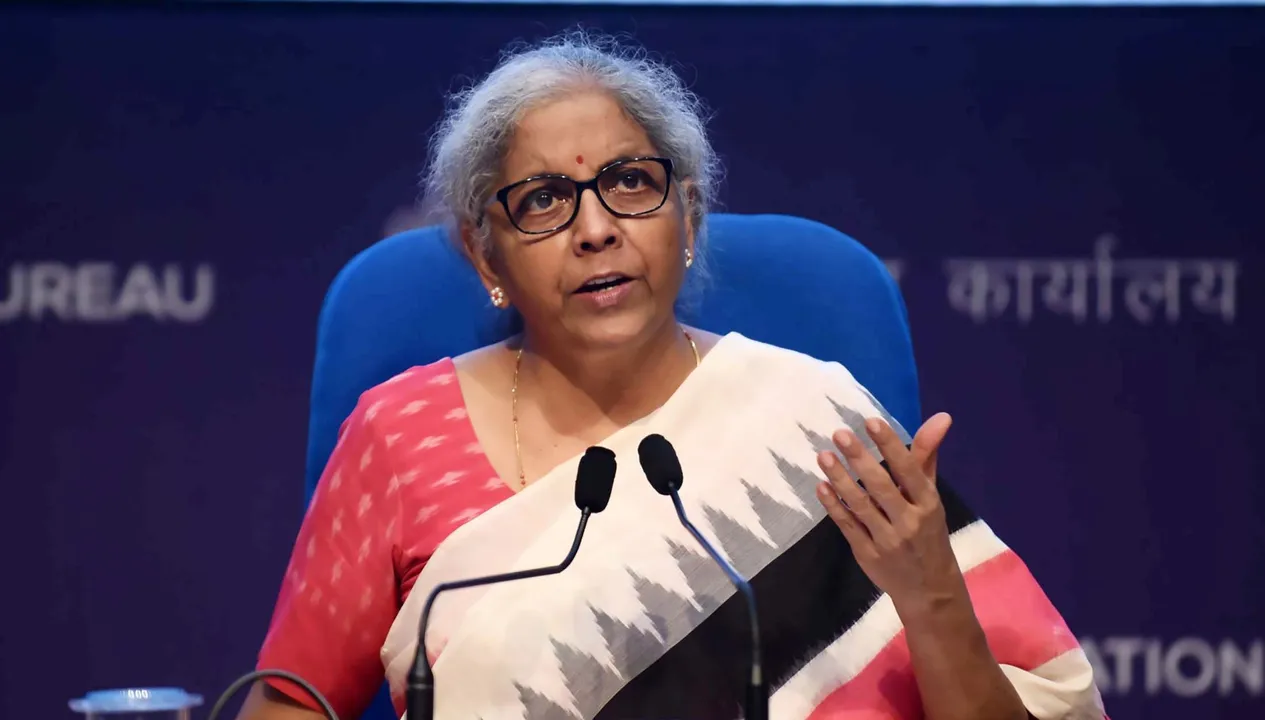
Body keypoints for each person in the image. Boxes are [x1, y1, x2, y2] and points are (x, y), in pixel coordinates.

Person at [238, 31, 1105, 720]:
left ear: (685, 216)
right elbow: (292, 703)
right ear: (482, 249)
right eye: (542, 199)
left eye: (628, 183)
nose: (595, 228)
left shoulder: (816, 423)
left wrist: (929, 595)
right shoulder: (398, 437)